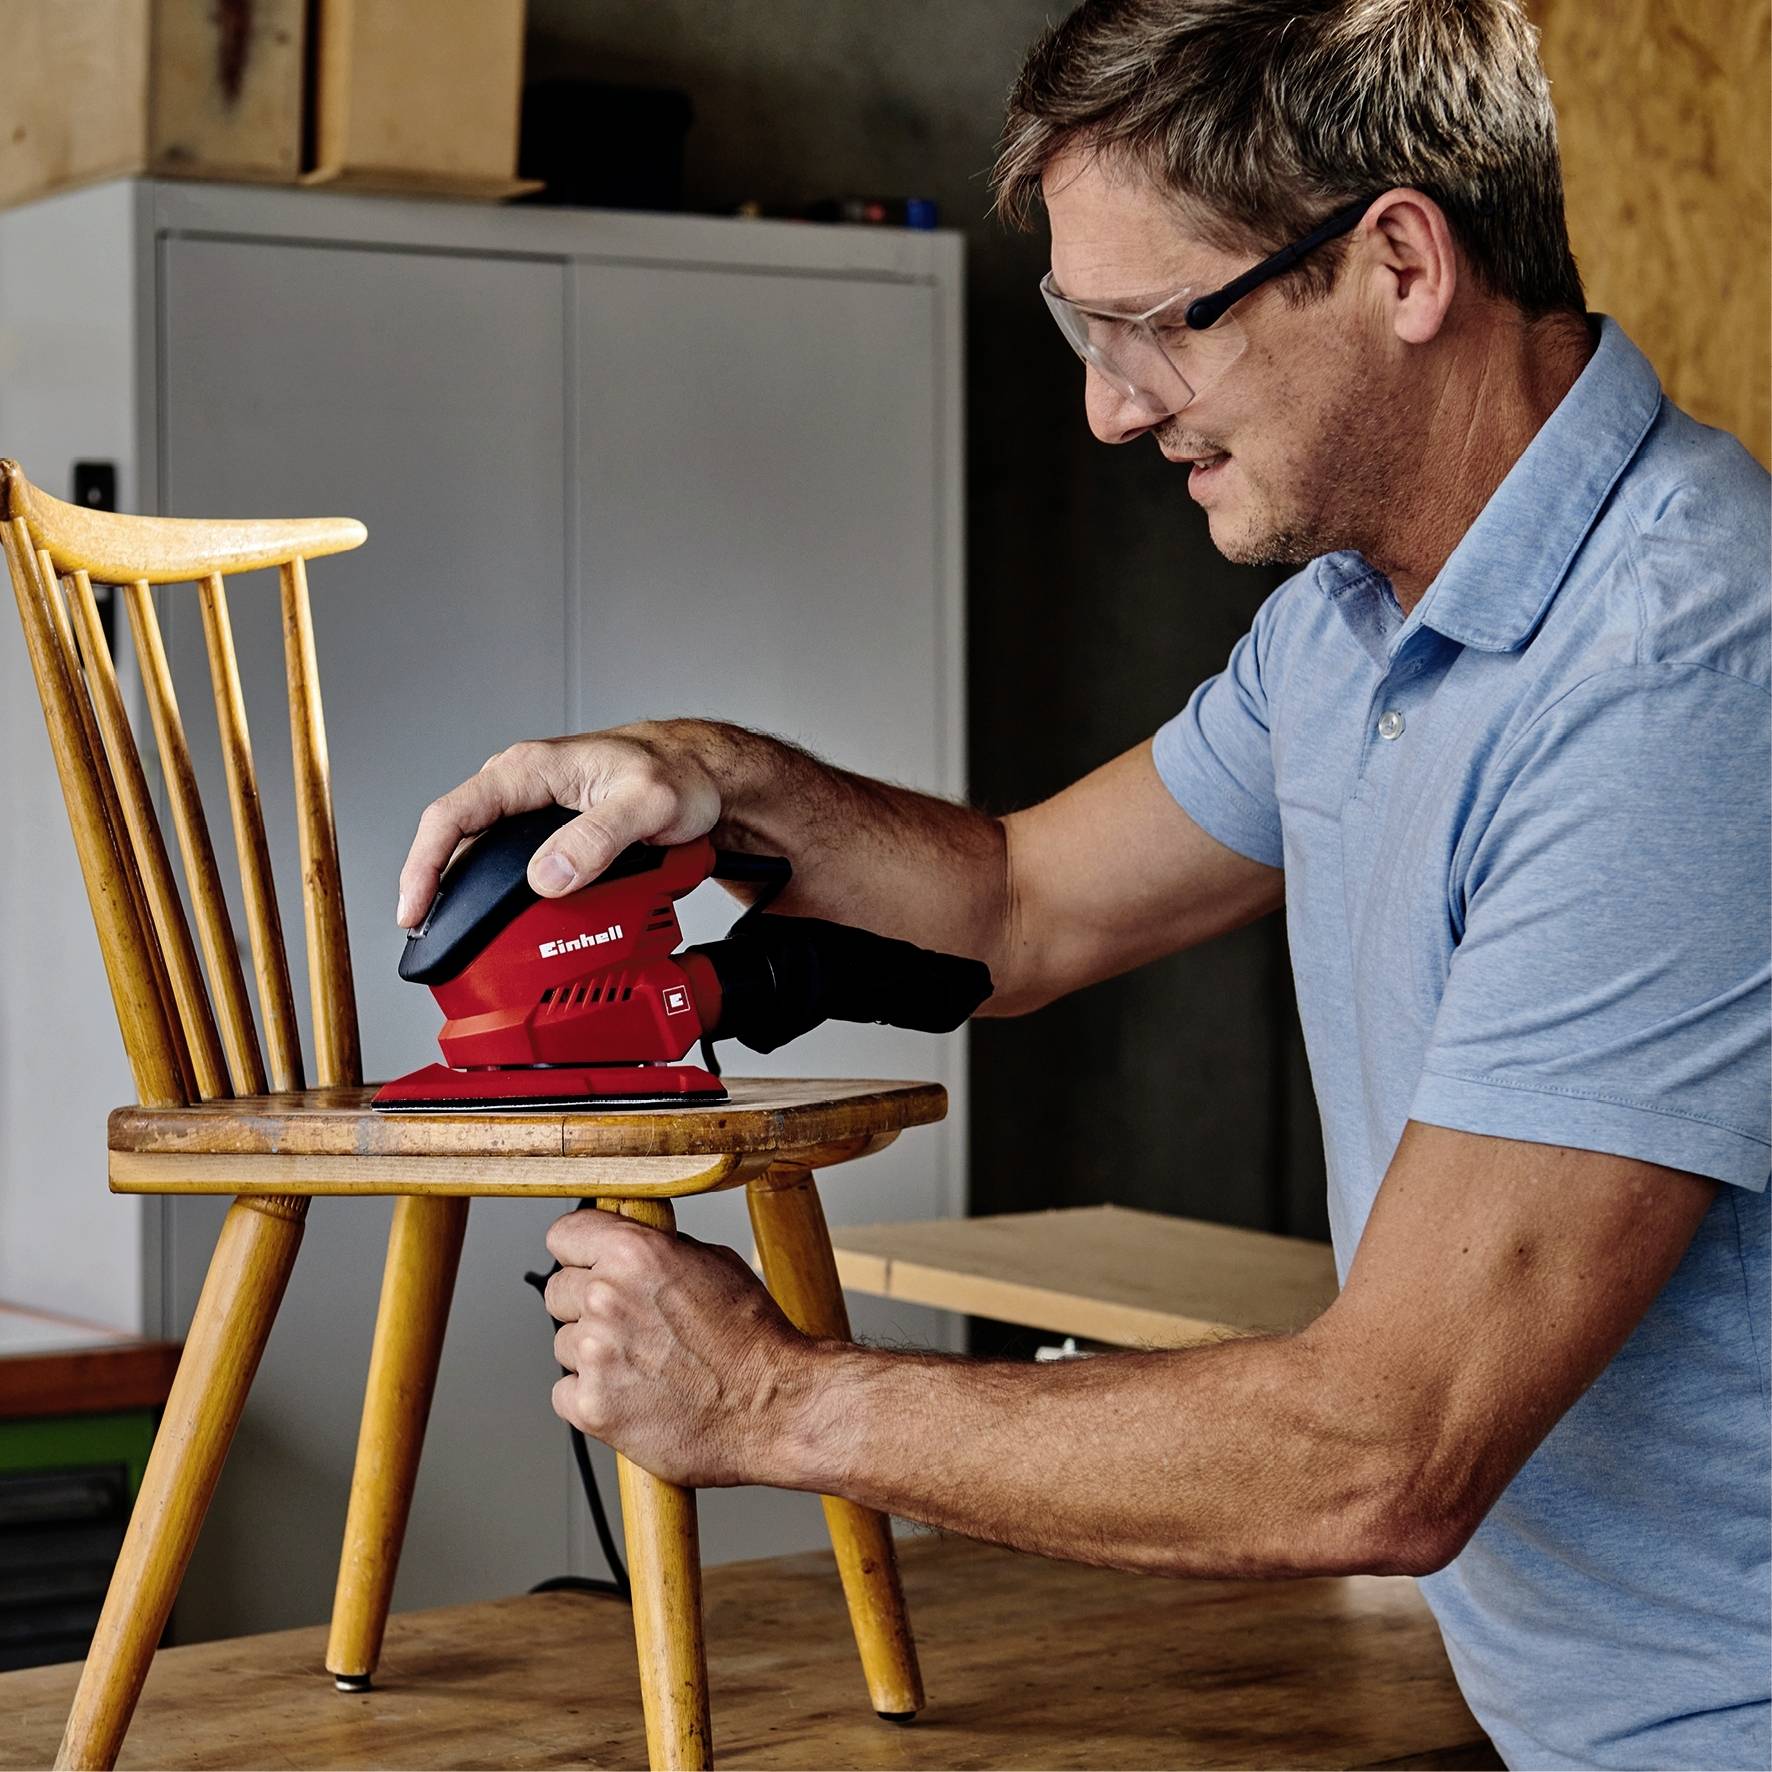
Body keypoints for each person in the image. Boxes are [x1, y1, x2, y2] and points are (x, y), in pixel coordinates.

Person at [396, 3, 1770, 1764]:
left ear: (1402, 263)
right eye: (1081, 325)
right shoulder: (1352, 627)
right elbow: (1021, 906)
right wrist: (713, 769)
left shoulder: (1673, 678)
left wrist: (774, 1402)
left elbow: (1386, 1445)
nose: (1112, 411)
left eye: (1149, 326)